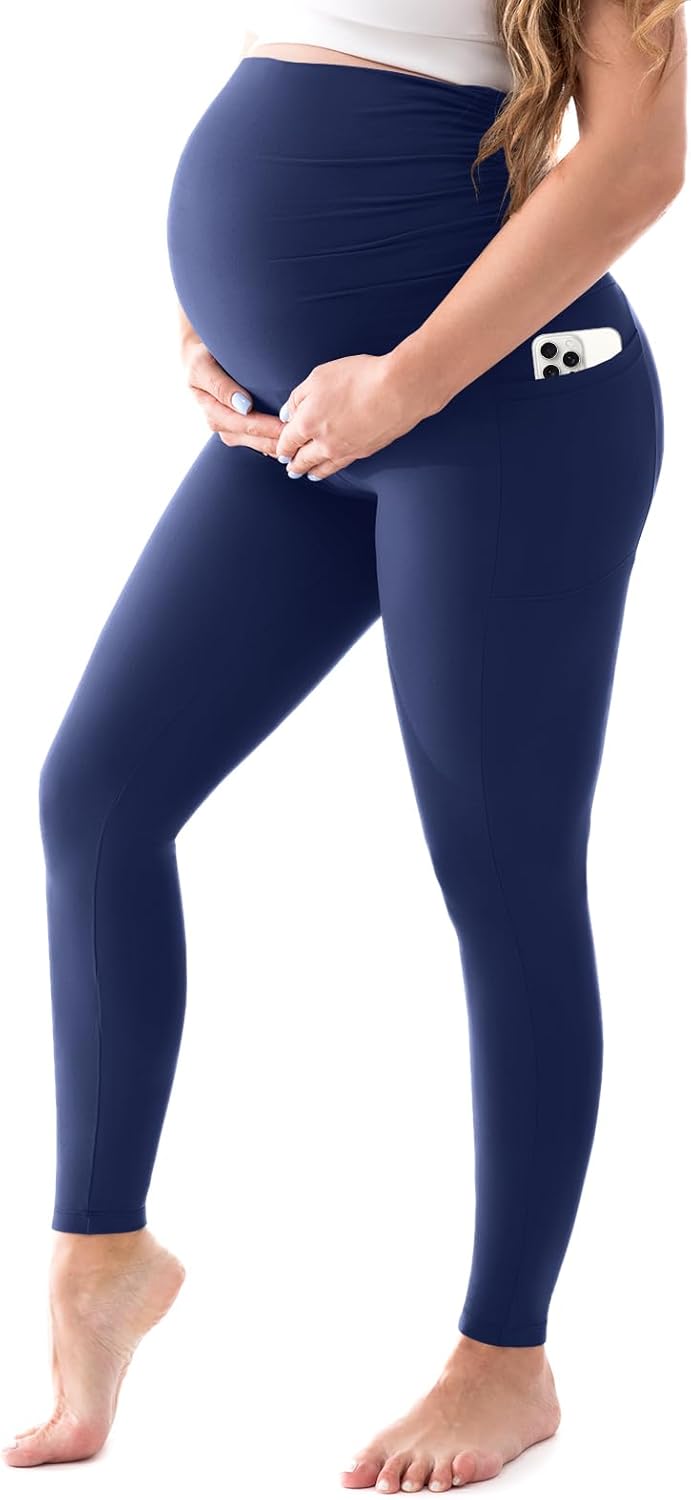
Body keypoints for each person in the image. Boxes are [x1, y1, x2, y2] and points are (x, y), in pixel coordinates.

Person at [3, 0, 684, 1480]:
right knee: (99, 798)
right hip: (301, 424)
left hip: (509, 414)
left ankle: (506, 1359)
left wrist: (404, 380)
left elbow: (641, 157)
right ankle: (101, 1260)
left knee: (505, 878)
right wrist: (214, 317)